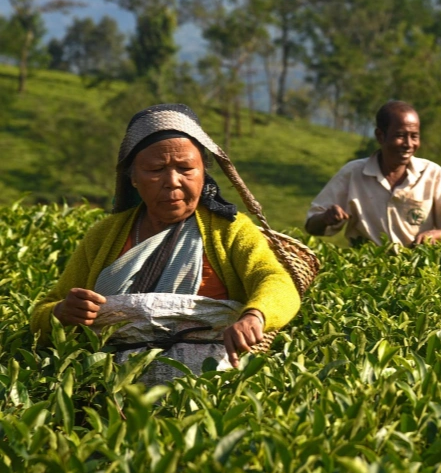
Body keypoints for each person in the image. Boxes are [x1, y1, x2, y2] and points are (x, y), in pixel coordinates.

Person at [30, 104, 301, 382]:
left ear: (203, 173)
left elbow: (275, 280)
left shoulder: (230, 230)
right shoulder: (104, 236)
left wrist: (255, 315)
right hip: (106, 389)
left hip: (204, 390)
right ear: (133, 178)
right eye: (156, 169)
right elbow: (43, 312)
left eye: (186, 168)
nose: (172, 181)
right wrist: (61, 313)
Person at [305, 100, 441, 247]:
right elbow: (311, 226)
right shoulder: (353, 173)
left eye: (414, 136)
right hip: (367, 266)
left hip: (418, 266)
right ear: (380, 136)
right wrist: (325, 218)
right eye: (400, 136)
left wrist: (436, 235)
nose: (408, 144)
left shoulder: (431, 173)